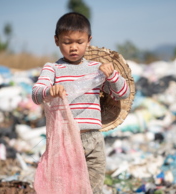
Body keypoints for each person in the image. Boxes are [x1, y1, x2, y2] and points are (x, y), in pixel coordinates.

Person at [32, 12, 130, 193]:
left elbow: (123, 94)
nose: (74, 48)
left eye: (80, 42)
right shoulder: (52, 69)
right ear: (56, 40)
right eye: (67, 42)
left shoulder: (96, 69)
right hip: (64, 142)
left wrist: (113, 75)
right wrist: (49, 91)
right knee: (66, 188)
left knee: (93, 190)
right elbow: (36, 94)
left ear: (89, 40)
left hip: (93, 140)